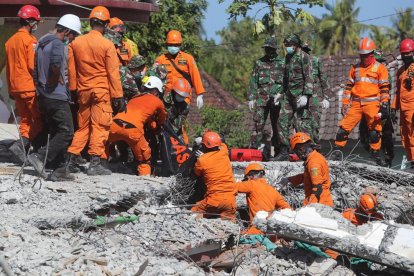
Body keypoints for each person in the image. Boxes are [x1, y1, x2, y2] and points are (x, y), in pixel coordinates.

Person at [63, 6, 125, 176]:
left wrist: (73, 90)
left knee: (82, 127)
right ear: (105, 24)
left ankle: (71, 159)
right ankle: (95, 163)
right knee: (99, 126)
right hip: (101, 92)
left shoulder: (75, 43)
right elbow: (113, 73)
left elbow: (72, 70)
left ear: (91, 22)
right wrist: (118, 96)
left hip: (83, 91)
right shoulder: (107, 45)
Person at [26, 14, 81, 180]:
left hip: (43, 95)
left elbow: (35, 71)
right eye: (72, 35)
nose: (72, 39)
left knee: (56, 130)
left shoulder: (42, 42)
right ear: (66, 31)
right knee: (66, 132)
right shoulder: (57, 43)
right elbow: (56, 65)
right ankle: (40, 157)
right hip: (55, 96)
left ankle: (59, 170)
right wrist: (53, 82)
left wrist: (41, 88)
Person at [333, 37, 390, 166]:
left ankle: (375, 156)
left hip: (372, 103)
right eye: (361, 55)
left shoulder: (380, 68)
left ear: (372, 54)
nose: (363, 58)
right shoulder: (355, 68)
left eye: (365, 55)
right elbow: (348, 87)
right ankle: (336, 152)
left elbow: (384, 88)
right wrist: (345, 103)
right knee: (343, 128)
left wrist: (384, 103)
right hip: (356, 104)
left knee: (374, 132)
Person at [105, 76, 167, 175]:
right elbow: (162, 118)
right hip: (133, 131)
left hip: (114, 125)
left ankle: (101, 165)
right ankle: (144, 178)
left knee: (104, 142)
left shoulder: (134, 97)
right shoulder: (158, 101)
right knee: (144, 158)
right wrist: (157, 126)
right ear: (155, 91)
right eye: (158, 94)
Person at [5, 5, 43, 163]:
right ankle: (22, 144)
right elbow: (32, 65)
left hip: (15, 87)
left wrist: (10, 89)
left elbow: (8, 68)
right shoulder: (30, 40)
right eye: (36, 22)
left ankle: (21, 147)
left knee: (26, 119)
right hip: (28, 87)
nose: (36, 25)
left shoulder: (10, 41)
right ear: (30, 22)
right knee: (40, 120)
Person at [275, 34, 314, 161]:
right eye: (286, 45)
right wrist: (280, 92)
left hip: (300, 95)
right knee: (282, 121)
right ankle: (284, 151)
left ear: (296, 45)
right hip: (288, 95)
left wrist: (306, 95)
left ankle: (306, 153)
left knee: (300, 124)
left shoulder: (304, 57)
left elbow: (309, 76)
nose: (287, 47)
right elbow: (285, 78)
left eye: (289, 45)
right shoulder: (288, 57)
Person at [248, 37, 285, 161]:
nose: (268, 51)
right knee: (258, 124)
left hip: (277, 100)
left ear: (275, 49)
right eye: (266, 48)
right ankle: (254, 151)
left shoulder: (283, 62)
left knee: (277, 126)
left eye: (270, 48)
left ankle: (279, 152)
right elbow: (253, 81)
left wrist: (283, 95)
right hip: (261, 99)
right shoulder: (259, 63)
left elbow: (287, 82)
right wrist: (251, 98)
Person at [359, 50, 394, 168]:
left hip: (381, 110)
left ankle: (388, 161)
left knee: (386, 136)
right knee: (365, 135)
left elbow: (385, 91)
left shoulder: (384, 74)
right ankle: (376, 158)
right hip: (368, 110)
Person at [191, 131, 237, 221]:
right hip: (230, 201)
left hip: (214, 200)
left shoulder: (202, 160)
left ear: (203, 146)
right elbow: (222, 144)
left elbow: (195, 174)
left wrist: (203, 156)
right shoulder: (224, 151)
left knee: (193, 212)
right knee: (229, 225)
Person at [155, 30, 205, 109]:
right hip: (166, 97)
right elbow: (154, 77)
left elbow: (195, 76)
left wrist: (200, 94)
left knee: (180, 119)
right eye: (171, 44)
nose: (173, 47)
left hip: (183, 97)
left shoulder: (188, 58)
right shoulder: (160, 59)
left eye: (176, 45)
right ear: (167, 44)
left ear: (180, 45)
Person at [281, 132, 333, 207]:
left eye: (296, 152)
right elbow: (306, 176)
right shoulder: (314, 158)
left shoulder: (313, 163)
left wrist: (310, 206)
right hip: (321, 201)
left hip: (320, 205)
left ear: (301, 149)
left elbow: (317, 187)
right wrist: (289, 179)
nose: (297, 156)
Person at [237, 163, 290, 234]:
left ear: (250, 177)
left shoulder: (251, 184)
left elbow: (229, 187)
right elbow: (287, 209)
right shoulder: (272, 190)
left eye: (246, 179)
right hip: (271, 231)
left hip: (257, 229)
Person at [302, 43, 331, 145]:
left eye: (306, 50)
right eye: (302, 49)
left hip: (315, 97)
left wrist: (326, 98)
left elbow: (324, 79)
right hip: (301, 97)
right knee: (302, 123)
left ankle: (315, 147)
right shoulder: (295, 63)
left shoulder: (315, 61)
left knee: (315, 123)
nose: (304, 52)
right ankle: (304, 147)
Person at [392, 39, 414, 173]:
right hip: (403, 110)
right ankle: (412, 163)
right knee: (405, 137)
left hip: (412, 108)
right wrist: (394, 108)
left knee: (413, 136)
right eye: (404, 54)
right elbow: (398, 91)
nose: (406, 56)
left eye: (408, 54)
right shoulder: (400, 71)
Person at [163, 78, 191, 144]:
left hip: (172, 129)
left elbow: (177, 125)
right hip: (160, 123)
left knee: (182, 144)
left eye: (183, 96)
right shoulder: (166, 97)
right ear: (174, 91)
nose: (181, 97)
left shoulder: (185, 107)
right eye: (180, 95)